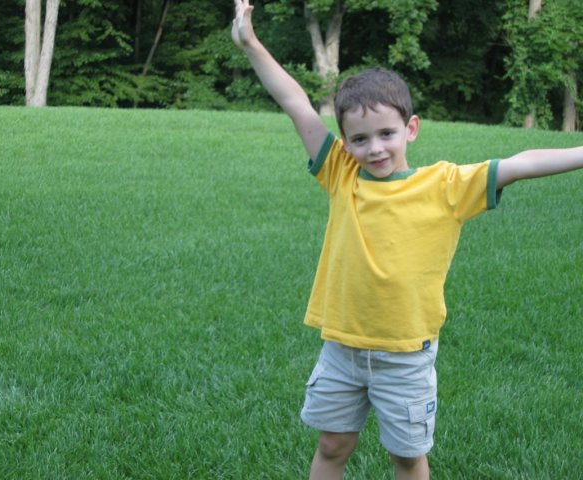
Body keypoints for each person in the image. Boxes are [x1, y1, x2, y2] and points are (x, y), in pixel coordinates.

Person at [231, 1, 583, 478]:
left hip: (405, 356)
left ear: (410, 129)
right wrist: (251, 43)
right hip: (342, 348)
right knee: (332, 444)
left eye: (386, 134)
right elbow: (296, 104)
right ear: (344, 141)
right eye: (359, 139)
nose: (374, 148)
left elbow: (522, 163)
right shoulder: (340, 173)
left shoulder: (446, 185)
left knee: (407, 456)